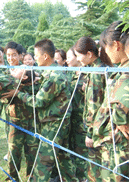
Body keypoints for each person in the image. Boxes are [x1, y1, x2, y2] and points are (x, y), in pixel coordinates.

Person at [3, 38, 77, 181]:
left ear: (45, 56)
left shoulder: (54, 76)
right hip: (58, 123)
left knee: (43, 164)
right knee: (63, 160)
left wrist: (17, 93)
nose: (34, 59)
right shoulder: (53, 72)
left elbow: (38, 101)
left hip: (54, 125)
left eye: (36, 56)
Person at [93, 21, 129, 181]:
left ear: (116, 45)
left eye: (106, 48)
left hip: (119, 147)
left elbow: (122, 98)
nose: (106, 53)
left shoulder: (126, 72)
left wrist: (120, 118)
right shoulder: (122, 68)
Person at [74, 36, 112, 181]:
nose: (78, 60)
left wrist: (90, 132)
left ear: (89, 54)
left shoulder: (96, 73)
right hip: (102, 127)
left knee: (94, 170)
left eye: (79, 56)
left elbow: (94, 106)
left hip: (97, 129)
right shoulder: (98, 68)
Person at [66, 46, 88, 181]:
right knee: (72, 151)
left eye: (69, 57)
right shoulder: (71, 74)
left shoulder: (88, 74)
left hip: (82, 121)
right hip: (71, 120)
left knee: (81, 153)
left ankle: (82, 178)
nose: (67, 60)